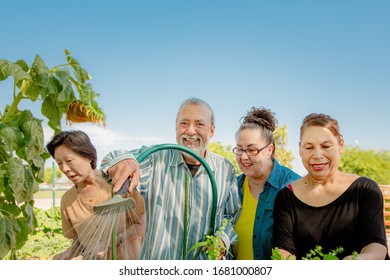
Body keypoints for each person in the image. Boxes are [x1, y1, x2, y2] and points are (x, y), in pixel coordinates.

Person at [100, 97, 241, 260]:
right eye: (184, 123)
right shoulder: (155, 159)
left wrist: (223, 239)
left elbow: (230, 216)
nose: (190, 131)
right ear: (176, 128)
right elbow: (113, 158)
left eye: (200, 124)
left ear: (211, 130)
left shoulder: (225, 169)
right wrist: (124, 161)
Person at [272, 113, 389, 260]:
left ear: (340, 146)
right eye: (309, 147)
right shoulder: (285, 198)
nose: (317, 155)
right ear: (300, 149)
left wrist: (359, 261)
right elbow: (284, 252)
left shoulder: (365, 190)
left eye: (326, 146)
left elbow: (376, 245)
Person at [46, 130, 146, 260]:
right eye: (59, 163)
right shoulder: (68, 200)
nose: (64, 169)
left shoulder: (119, 184)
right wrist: (68, 253)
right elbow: (79, 239)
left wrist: (112, 242)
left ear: (88, 156)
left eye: (69, 160)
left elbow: (141, 224)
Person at [232, 107, 301, 260]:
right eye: (239, 149)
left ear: (270, 150)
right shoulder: (233, 187)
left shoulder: (294, 185)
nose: (243, 157)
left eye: (251, 150)